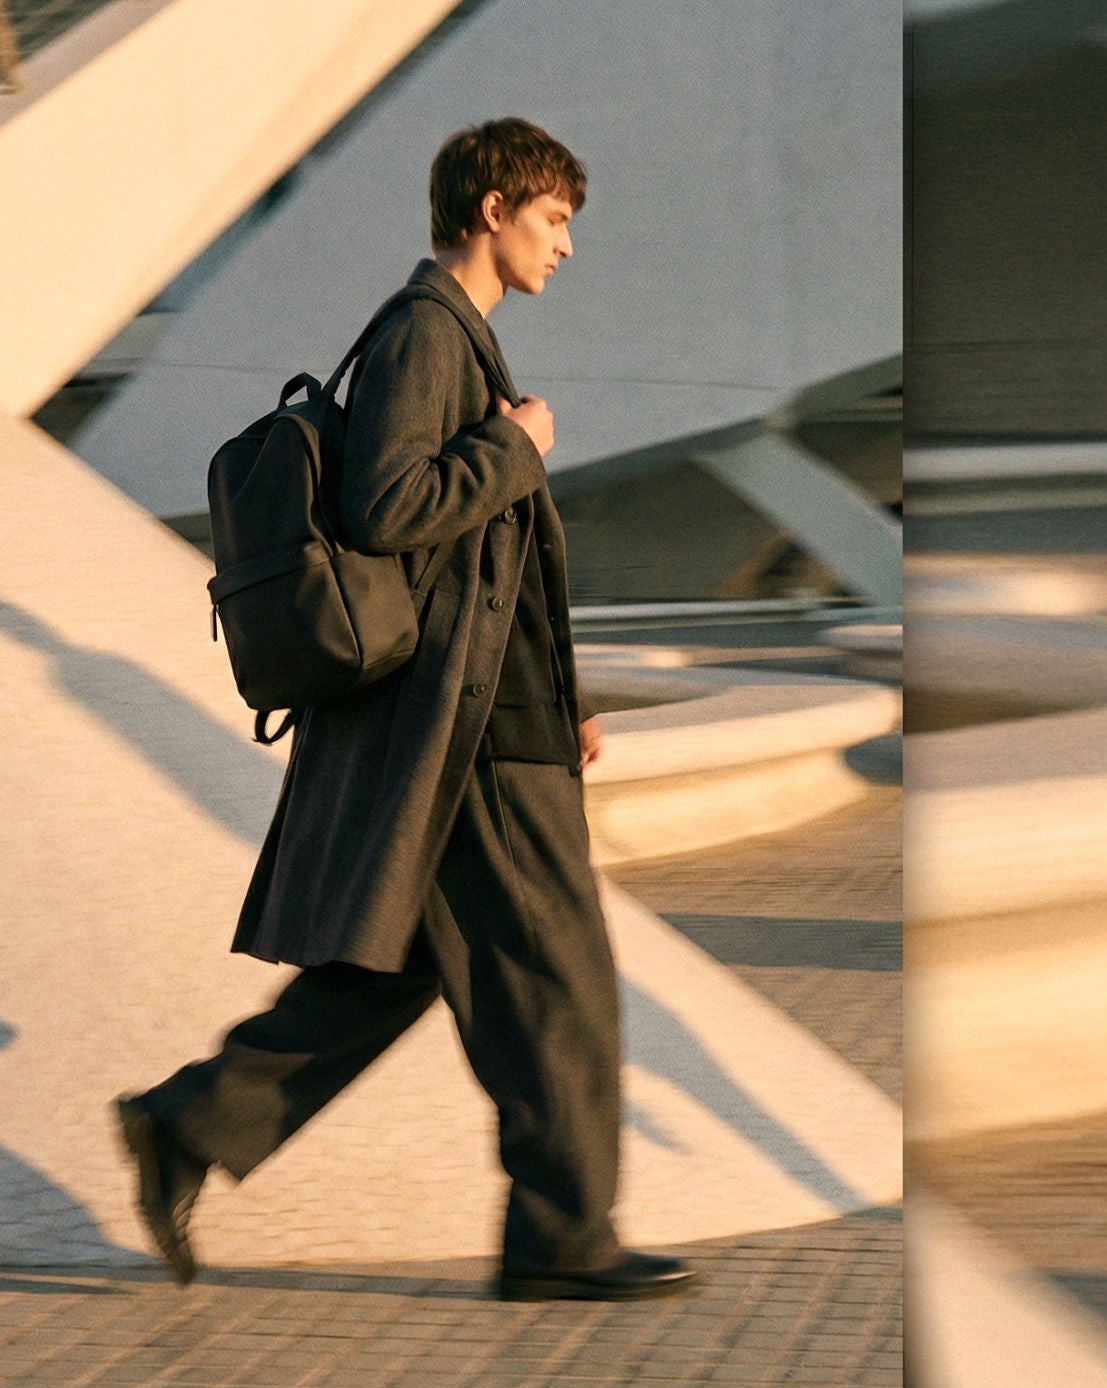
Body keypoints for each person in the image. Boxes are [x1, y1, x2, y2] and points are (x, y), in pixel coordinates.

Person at [116, 117, 700, 1304]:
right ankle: (562, 1239)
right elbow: (390, 508)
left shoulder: (450, 340)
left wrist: (567, 697)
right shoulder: (428, 335)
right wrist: (516, 448)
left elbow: (490, 572)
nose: (567, 248)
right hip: (474, 736)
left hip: (495, 718)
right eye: (553, 220)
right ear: (491, 208)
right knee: (559, 984)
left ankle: (187, 1124)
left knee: (391, 976)